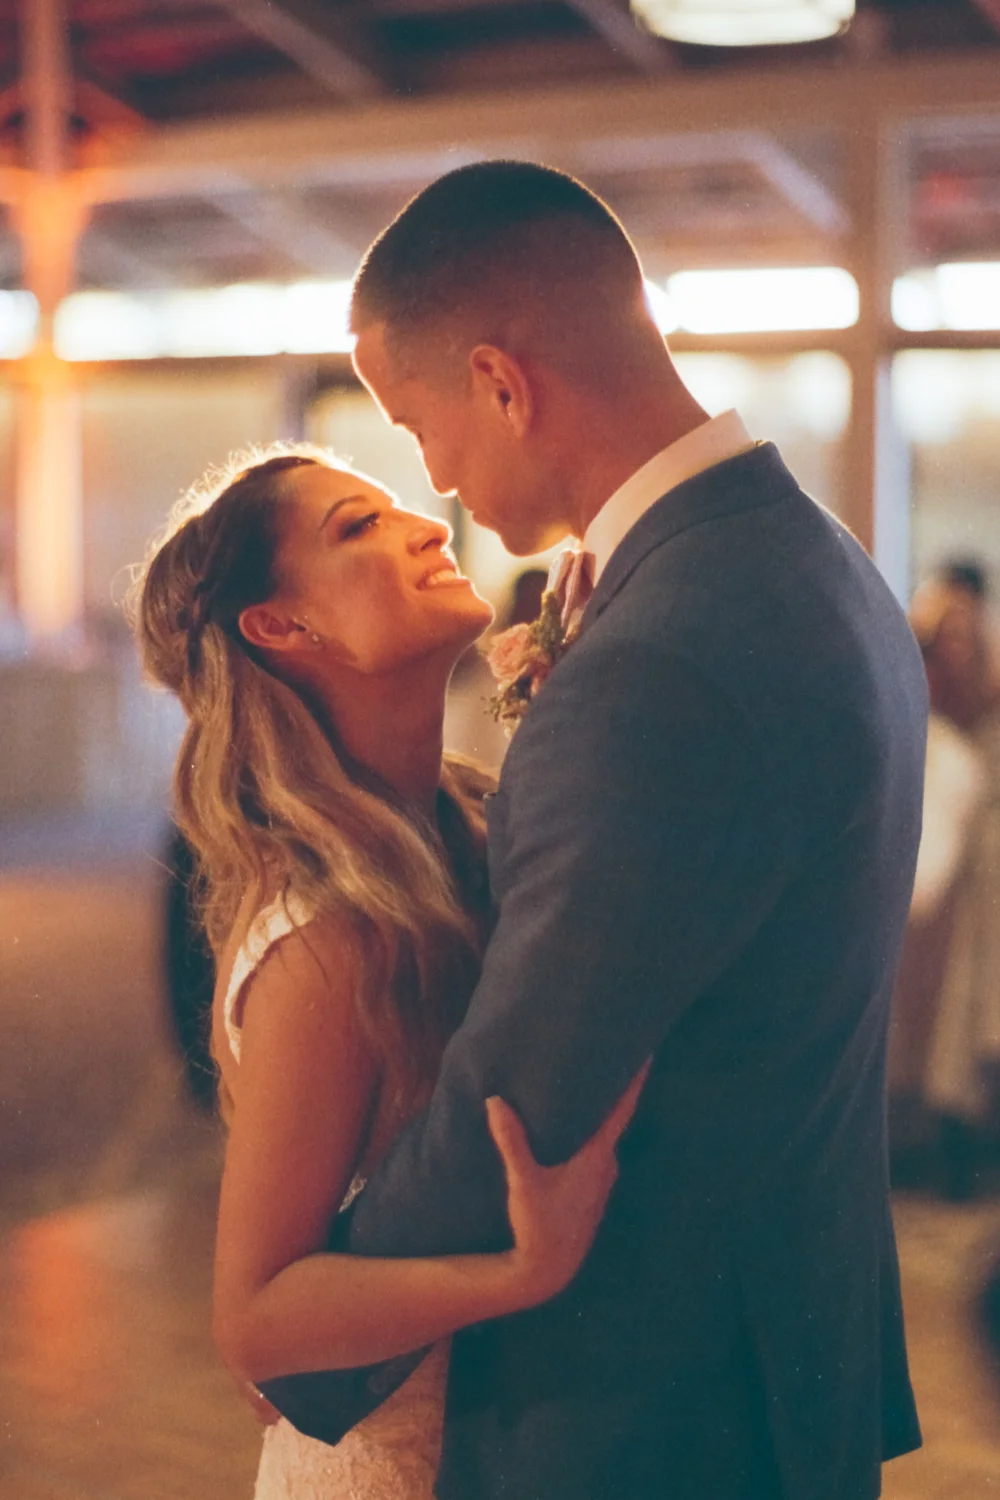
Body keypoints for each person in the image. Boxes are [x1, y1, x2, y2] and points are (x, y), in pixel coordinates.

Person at [256, 160, 927, 1500]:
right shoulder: (818, 560)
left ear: (501, 384)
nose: (434, 477)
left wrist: (303, 1333)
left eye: (418, 425)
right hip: (780, 1349)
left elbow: (524, 1096)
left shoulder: (658, 655)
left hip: (651, 1406)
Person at [131, 445, 645, 1499]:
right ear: (282, 627)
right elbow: (256, 1324)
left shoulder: (479, 826)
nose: (428, 524)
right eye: (358, 527)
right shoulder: (329, 937)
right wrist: (520, 1271)